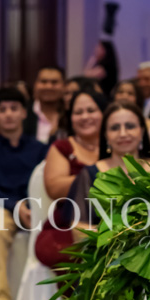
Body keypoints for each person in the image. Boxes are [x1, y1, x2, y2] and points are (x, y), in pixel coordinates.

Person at [64, 102, 150, 300]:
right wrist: (122, 238)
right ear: (105, 135)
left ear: (142, 131)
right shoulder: (91, 173)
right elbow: (79, 230)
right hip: (106, 263)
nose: (123, 133)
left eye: (130, 126)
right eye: (115, 127)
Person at [0, 87, 47, 300]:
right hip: (2, 206)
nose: (8, 114)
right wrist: (15, 206)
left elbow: (43, 185)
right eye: (2, 109)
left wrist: (31, 208)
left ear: (24, 113)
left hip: (35, 207)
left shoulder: (39, 148)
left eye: (14, 108)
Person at [35, 89, 106, 269]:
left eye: (91, 110)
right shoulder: (63, 147)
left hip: (115, 222)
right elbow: (54, 188)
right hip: (67, 223)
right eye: (78, 112)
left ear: (105, 113)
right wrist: (97, 176)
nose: (85, 117)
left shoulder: (117, 146)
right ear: (70, 117)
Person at [24, 65, 65, 143]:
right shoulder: (23, 114)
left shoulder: (71, 115)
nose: (49, 87)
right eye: (43, 82)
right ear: (35, 85)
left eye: (54, 82)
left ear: (64, 86)